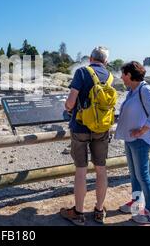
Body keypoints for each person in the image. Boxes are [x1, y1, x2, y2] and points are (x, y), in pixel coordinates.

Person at [61, 46, 113, 225]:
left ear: (90, 58)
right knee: (101, 170)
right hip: (102, 128)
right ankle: (99, 211)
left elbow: (70, 103)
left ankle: (78, 212)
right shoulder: (109, 76)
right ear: (105, 61)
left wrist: (67, 108)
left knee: (81, 172)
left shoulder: (82, 72)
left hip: (81, 128)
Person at [115, 61, 150, 224]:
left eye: (123, 74)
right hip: (131, 140)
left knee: (143, 176)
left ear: (129, 75)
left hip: (141, 140)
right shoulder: (132, 91)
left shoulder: (145, 89)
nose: (121, 77)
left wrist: (141, 131)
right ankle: (136, 205)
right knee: (135, 175)